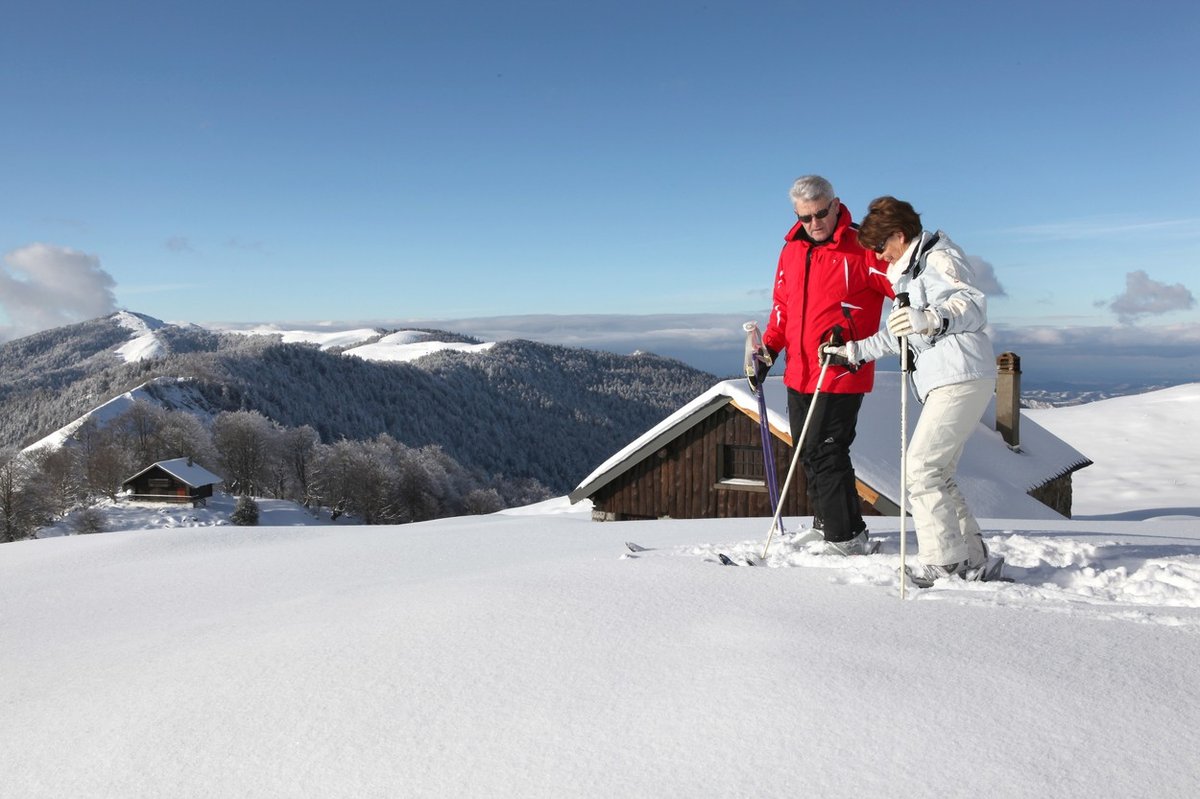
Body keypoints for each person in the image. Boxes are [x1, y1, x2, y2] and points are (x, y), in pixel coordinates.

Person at [821, 195, 1003, 585]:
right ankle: (971, 556)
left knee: (920, 470)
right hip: (949, 378)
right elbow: (898, 333)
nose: (880, 258)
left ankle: (944, 561)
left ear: (900, 236)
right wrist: (852, 352)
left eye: (881, 249)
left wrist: (932, 319)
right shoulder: (909, 272)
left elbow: (973, 304)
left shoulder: (939, 258)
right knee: (938, 473)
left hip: (961, 374)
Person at [751, 175, 893, 555]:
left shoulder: (863, 248)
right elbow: (782, 308)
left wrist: (916, 322)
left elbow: (904, 289)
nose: (814, 223)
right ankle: (834, 523)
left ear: (836, 205)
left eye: (820, 213)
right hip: (799, 370)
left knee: (825, 450)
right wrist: (768, 352)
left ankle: (843, 538)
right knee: (806, 448)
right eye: (805, 217)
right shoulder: (792, 250)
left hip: (841, 368)